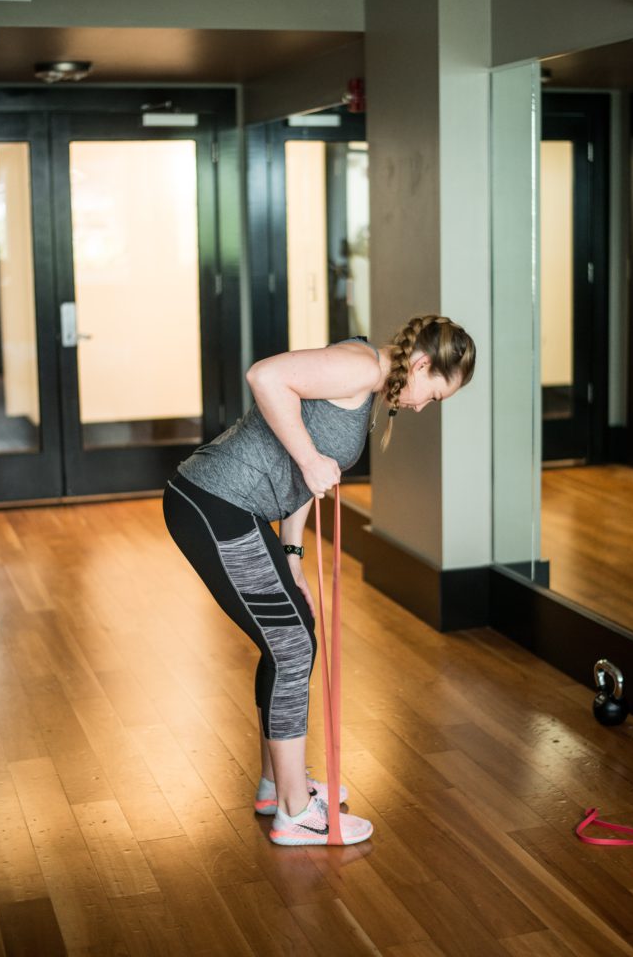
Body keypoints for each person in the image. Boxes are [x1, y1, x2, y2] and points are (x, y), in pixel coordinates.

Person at [162, 314, 475, 846]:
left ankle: (275, 783)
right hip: (215, 503)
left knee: (293, 632)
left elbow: (310, 472)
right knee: (291, 645)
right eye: (436, 395)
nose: (424, 406)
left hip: (239, 511)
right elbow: (265, 376)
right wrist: (308, 459)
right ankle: (294, 810)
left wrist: (291, 558)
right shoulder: (358, 366)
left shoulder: (367, 387)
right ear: (421, 365)